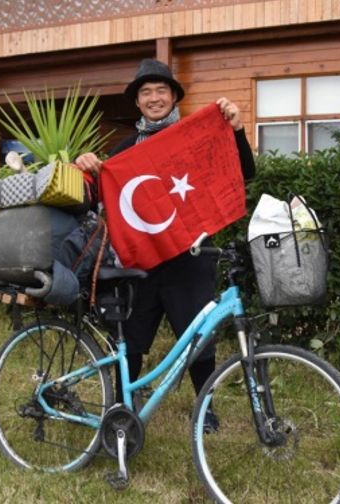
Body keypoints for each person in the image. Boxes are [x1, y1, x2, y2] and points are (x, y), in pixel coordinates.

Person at [75, 58, 255, 432]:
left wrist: (235, 130)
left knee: (199, 341)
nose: (154, 98)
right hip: (142, 262)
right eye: (146, 93)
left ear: (174, 97)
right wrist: (87, 167)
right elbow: (99, 199)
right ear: (137, 103)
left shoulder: (196, 135)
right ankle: (124, 408)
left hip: (191, 257)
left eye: (161, 91)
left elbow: (243, 171)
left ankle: (205, 407)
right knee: (134, 339)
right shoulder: (124, 151)